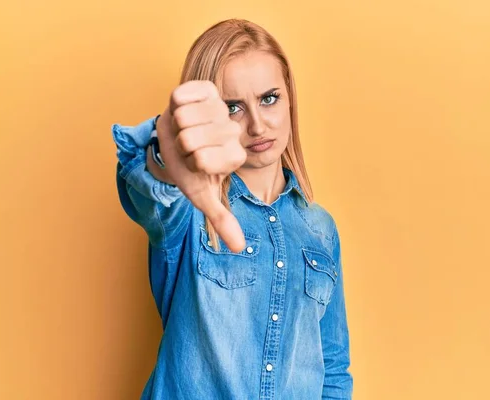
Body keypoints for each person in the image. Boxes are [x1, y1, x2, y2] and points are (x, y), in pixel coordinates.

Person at [112, 18, 353, 399]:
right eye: (233, 107)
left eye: (269, 98)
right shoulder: (188, 211)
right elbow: (148, 189)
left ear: (290, 97)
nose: (257, 125)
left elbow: (334, 368)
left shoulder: (320, 228)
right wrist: (166, 153)